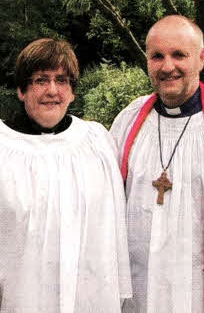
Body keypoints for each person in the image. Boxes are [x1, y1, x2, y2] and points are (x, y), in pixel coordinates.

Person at [0, 38, 132, 312]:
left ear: (72, 91)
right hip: (23, 298)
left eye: (62, 80)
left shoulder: (96, 143)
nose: (52, 91)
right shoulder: (4, 148)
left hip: (89, 297)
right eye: (40, 80)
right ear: (21, 90)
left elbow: (115, 229)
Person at [110, 15, 204, 312]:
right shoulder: (129, 121)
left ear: (201, 58)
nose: (168, 67)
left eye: (179, 54)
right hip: (136, 291)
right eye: (157, 56)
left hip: (193, 291)